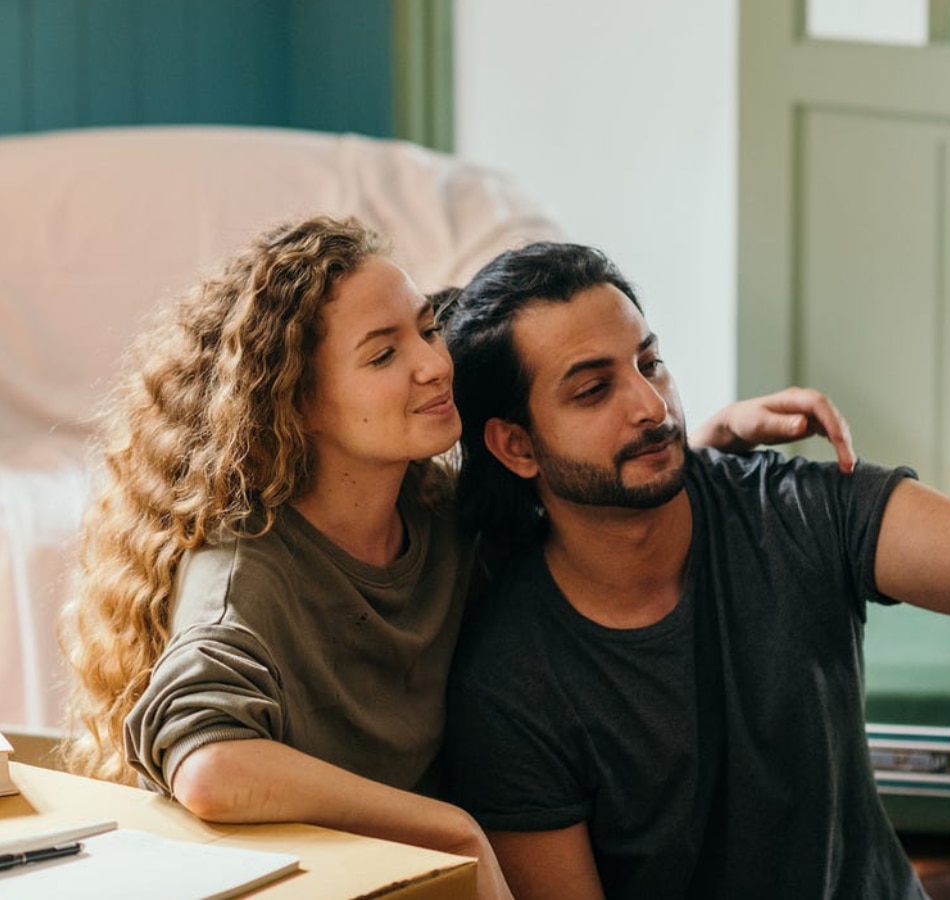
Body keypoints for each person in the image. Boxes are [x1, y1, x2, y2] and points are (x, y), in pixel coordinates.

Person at [58, 215, 855, 900]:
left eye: (427, 329)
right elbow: (208, 766)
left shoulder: (436, 514)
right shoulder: (245, 575)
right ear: (295, 405)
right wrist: (451, 827)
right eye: (382, 355)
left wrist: (695, 446)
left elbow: (577, 496)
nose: (435, 364)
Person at [439, 241, 950, 900]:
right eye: (593, 390)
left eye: (649, 361)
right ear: (515, 446)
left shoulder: (792, 508)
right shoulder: (510, 685)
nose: (649, 405)